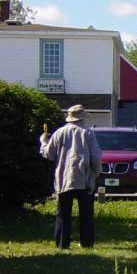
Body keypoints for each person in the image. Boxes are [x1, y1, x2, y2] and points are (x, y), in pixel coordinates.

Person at [39, 105, 102, 249]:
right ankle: (86, 244)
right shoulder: (88, 133)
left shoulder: (59, 132)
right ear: (83, 118)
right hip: (84, 177)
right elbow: (96, 157)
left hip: (64, 177)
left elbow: (49, 154)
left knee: (63, 213)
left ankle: (62, 244)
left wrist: (43, 142)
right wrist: (96, 172)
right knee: (86, 213)